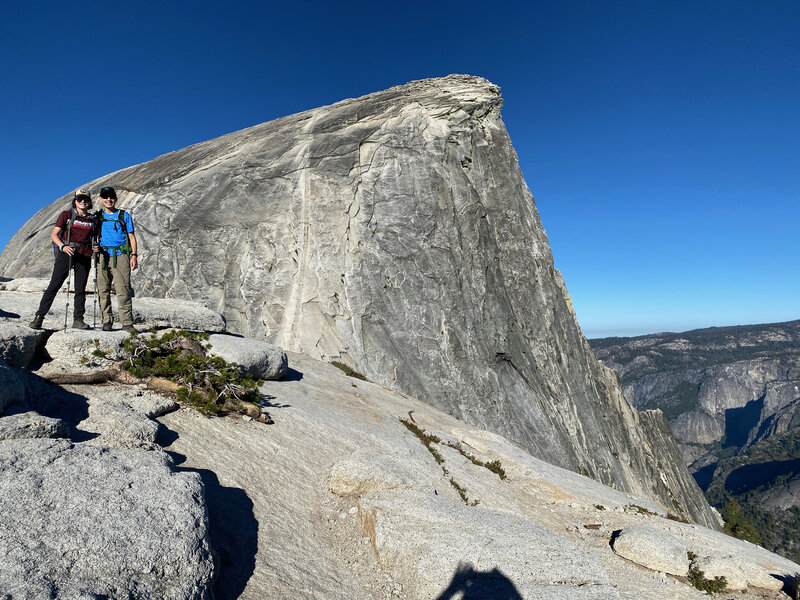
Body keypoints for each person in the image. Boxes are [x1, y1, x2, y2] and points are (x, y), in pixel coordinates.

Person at [29, 188, 97, 329]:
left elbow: (95, 239)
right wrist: (62, 246)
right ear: (75, 201)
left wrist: (96, 247)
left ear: (89, 201)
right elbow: (54, 234)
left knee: (80, 289)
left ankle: (78, 319)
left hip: (84, 254)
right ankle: (39, 317)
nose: (82, 201)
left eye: (85, 199)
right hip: (67, 252)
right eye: (79, 199)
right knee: (54, 285)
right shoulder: (66, 215)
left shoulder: (93, 220)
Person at [96, 186, 138, 332]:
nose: (109, 199)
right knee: (103, 290)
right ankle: (106, 321)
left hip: (121, 255)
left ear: (116, 198)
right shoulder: (98, 216)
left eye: (111, 197)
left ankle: (126, 323)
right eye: (105, 197)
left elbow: (131, 236)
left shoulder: (124, 215)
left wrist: (134, 255)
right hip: (102, 255)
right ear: (101, 199)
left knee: (123, 289)